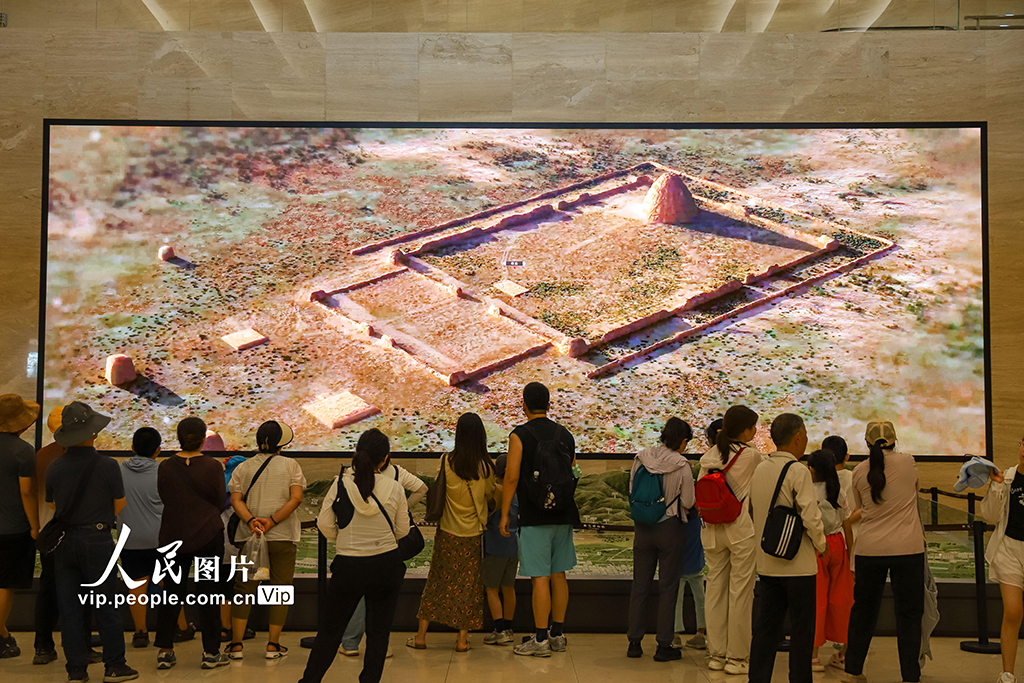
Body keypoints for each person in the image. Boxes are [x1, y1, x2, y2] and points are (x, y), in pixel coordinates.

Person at [297, 428, 408, 683]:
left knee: (329, 632)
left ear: (357, 453)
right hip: (385, 564)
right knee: (379, 634)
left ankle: (310, 680)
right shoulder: (394, 487)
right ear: (386, 458)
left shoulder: (340, 485)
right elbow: (402, 530)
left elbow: (324, 524)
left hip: (348, 566)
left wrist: (344, 541)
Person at [46, 401, 139, 682]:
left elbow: (52, 505)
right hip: (97, 539)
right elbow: (120, 503)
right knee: (106, 605)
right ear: (93, 432)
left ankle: (76, 670)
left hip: (64, 542)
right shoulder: (108, 465)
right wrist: (97, 516)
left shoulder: (55, 466)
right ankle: (114, 665)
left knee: (70, 608)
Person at [838, 421, 925, 683]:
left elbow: (860, 506)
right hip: (908, 548)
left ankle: (853, 670)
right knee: (909, 614)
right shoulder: (908, 462)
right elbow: (915, 490)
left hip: (870, 550)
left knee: (863, 611)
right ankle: (910, 675)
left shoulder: (859, 472)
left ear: (866, 443)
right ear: (895, 440)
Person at [500, 382, 580, 657]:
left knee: (540, 578)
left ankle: (541, 638)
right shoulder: (565, 434)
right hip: (563, 513)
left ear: (523, 404)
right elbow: (571, 471)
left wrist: (504, 514)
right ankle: (558, 635)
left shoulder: (519, 435)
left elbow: (510, 476)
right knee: (559, 575)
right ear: (549, 404)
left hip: (534, 515)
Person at [748, 414, 827, 683]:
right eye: (804, 433)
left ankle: (757, 678)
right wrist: (823, 545)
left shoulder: (760, 468)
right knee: (802, 632)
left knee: (766, 629)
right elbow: (810, 515)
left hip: (768, 564)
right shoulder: (797, 470)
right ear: (797, 437)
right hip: (799, 566)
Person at [409, 412, 498, 651]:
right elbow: (490, 495)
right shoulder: (486, 467)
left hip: (447, 531)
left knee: (437, 581)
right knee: (469, 585)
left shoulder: (446, 461)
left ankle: (421, 636)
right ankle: (461, 640)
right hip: (472, 534)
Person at [226, 421, 306, 660]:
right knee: (280, 589)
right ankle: (273, 645)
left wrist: (252, 521)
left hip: (250, 537)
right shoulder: (291, 465)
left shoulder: (244, 467)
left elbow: (236, 500)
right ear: (281, 443)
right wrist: (271, 521)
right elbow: (296, 499)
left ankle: (237, 645)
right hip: (282, 536)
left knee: (244, 590)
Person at [154, 417, 229, 671]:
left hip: (172, 540)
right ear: (202, 440)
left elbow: (164, 497)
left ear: (178, 437)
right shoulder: (213, 466)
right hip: (207, 537)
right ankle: (211, 653)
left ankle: (165, 651)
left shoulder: (165, 466)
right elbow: (220, 501)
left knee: (172, 595)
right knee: (208, 594)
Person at [697, 405, 765, 674]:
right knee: (740, 593)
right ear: (746, 430)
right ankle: (737, 659)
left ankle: (716, 655)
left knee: (714, 590)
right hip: (739, 531)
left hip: (711, 531)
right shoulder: (752, 456)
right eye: (754, 427)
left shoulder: (708, 456)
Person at [341, 451, 426, 657]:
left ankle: (351, 643)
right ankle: (382, 646)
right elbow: (422, 488)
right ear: (385, 456)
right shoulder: (396, 474)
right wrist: (402, 508)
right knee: (383, 598)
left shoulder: (350, 475)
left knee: (358, 594)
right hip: (389, 544)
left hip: (359, 543)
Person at [626, 417, 695, 661]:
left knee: (640, 585)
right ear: (683, 441)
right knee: (668, 588)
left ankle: (634, 642)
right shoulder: (682, 465)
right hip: (669, 529)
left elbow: (632, 490)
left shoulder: (641, 457)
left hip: (642, 529)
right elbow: (687, 502)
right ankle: (663, 645)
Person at [0, 394, 41, 659]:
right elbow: (27, 492)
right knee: (5, 585)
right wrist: (35, 526)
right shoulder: (23, 451)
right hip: (12, 526)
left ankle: (4, 633)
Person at [674, 420, 720, 650]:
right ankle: (702, 632)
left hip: (678, 558)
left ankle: (674, 634)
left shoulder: (678, 515)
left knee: (677, 595)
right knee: (701, 594)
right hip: (697, 558)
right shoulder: (698, 516)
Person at [981, 435, 1024, 683]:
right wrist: (996, 485)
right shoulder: (1007, 477)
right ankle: (1007, 675)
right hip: (1009, 549)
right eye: (1023, 444)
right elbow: (990, 515)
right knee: (1013, 611)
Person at [117, 427, 165, 649]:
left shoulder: (118, 471)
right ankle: (180, 627)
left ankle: (140, 632)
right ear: (158, 450)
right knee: (170, 585)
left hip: (129, 539)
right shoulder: (163, 473)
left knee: (136, 587)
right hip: (161, 539)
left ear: (132, 447)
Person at [807, 449, 854, 672]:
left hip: (817, 547)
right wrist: (850, 555)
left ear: (812, 469)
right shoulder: (838, 491)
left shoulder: (809, 491)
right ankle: (844, 653)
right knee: (841, 600)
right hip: (838, 545)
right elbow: (847, 524)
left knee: (818, 601)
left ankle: (814, 656)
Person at [483, 454, 518, 646]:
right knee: (509, 588)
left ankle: (500, 630)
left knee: (491, 589)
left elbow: (486, 518)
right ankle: (509, 626)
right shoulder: (517, 493)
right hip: (514, 546)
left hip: (495, 546)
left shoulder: (495, 492)